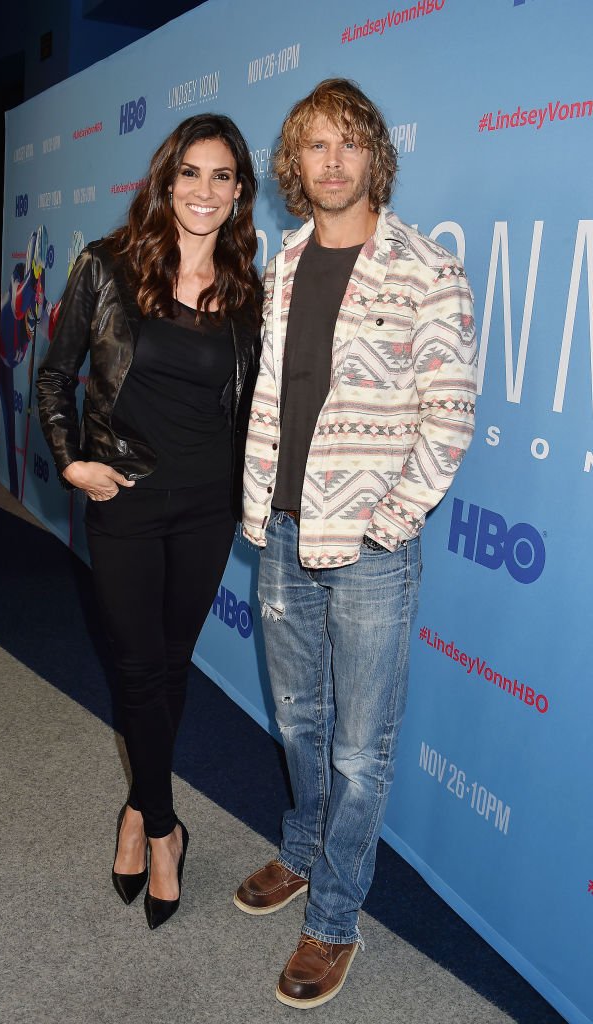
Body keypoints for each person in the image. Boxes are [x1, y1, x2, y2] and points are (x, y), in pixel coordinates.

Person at [236, 79, 477, 1007]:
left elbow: (448, 413)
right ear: (294, 165)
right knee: (298, 723)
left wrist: (391, 518)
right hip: (282, 530)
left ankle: (333, 918)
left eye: (348, 144)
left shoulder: (425, 267)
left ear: (375, 156)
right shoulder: (284, 261)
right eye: (313, 146)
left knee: (357, 753)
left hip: (372, 546)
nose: (331, 162)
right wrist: (262, 503)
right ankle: (301, 853)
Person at [36, 114, 261, 930]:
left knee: (169, 666)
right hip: (124, 499)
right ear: (166, 180)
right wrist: (71, 461)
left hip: (206, 509)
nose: (205, 191)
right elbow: (55, 374)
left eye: (223, 177)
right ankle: (165, 830)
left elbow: (248, 407)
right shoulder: (105, 266)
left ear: (240, 192)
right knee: (136, 669)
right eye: (191, 173)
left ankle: (136, 810)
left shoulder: (246, 287)